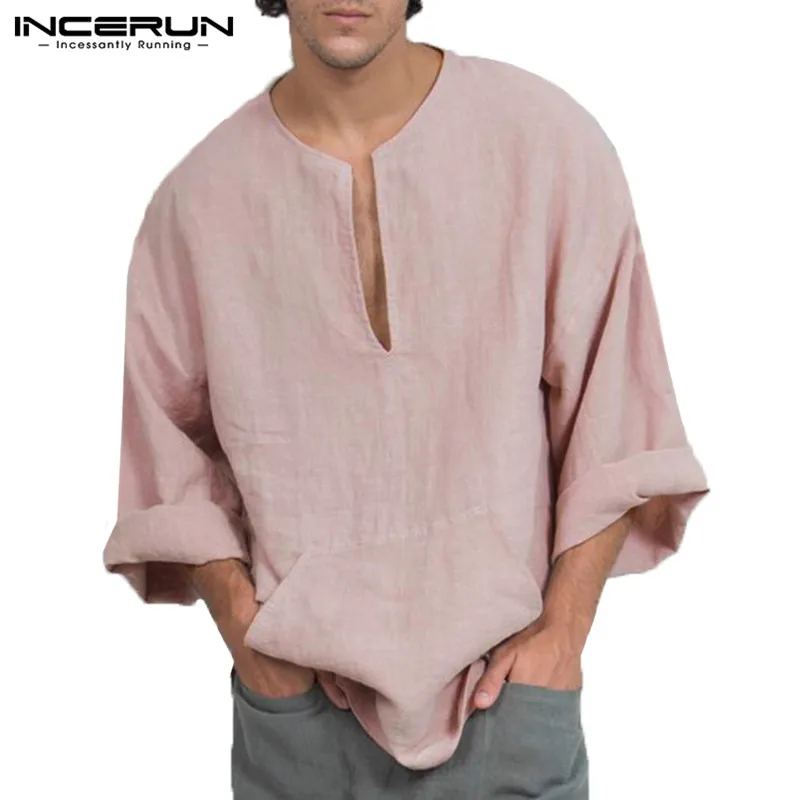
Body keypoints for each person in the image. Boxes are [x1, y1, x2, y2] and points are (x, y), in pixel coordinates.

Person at [102, 1, 711, 797]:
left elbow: (617, 405)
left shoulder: (542, 138)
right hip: (300, 715)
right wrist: (247, 635)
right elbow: (165, 448)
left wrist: (562, 635)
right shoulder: (197, 199)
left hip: (508, 693)